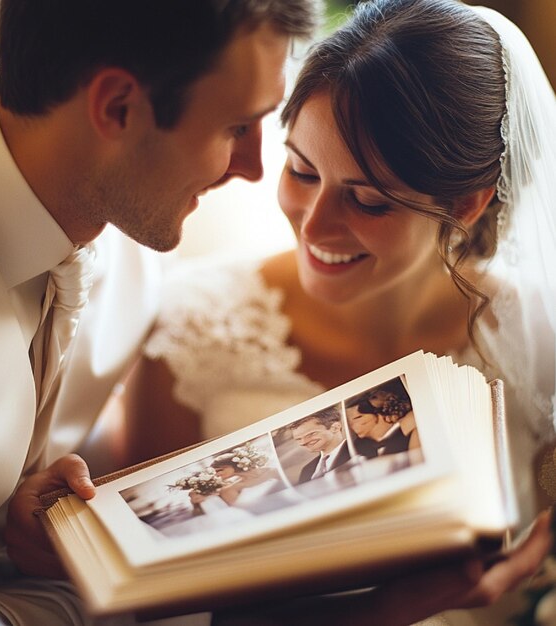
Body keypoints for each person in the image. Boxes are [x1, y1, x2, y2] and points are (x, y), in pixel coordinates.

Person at [128, 0, 556, 623]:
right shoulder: (196, 324)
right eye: (302, 171)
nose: (316, 223)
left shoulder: (536, 335)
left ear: (465, 203)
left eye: (369, 202)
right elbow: (137, 589)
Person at [0, 1, 319, 624]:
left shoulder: (128, 262)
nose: (251, 170)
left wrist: (23, 519)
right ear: (117, 107)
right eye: (236, 128)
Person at [288, 406, 353, 482]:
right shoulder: (306, 470)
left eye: (311, 434)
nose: (303, 442)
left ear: (335, 428)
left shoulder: (361, 450)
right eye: (298, 439)